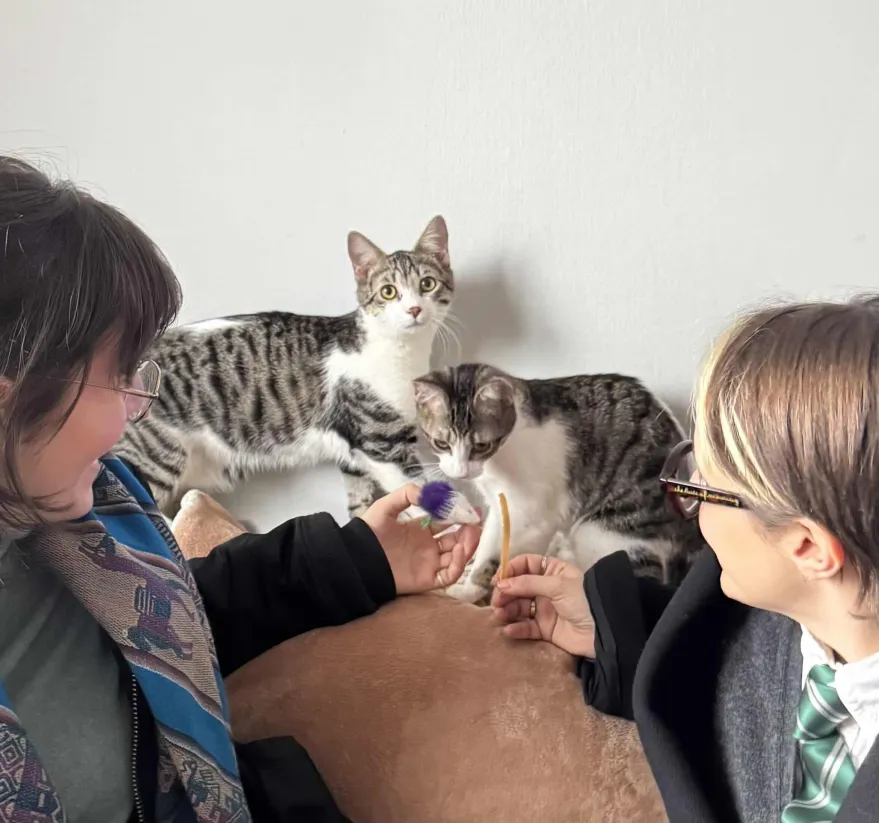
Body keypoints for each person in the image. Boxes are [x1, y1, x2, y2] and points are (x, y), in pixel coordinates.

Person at [0, 155, 481, 823]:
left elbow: (164, 617)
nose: (140, 407)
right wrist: (449, 502)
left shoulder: (89, 503)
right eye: (118, 375)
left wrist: (359, 554)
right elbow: (394, 456)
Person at [493, 296, 879, 823]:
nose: (689, 502)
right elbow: (714, 657)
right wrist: (610, 625)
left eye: (706, 489)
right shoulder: (757, 617)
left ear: (807, 548)